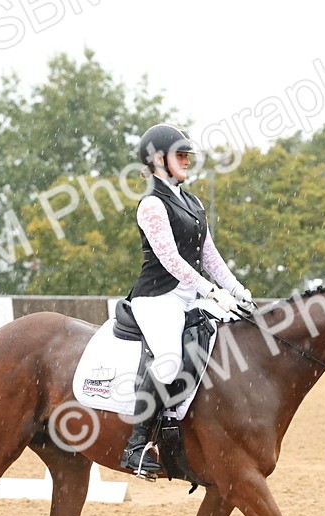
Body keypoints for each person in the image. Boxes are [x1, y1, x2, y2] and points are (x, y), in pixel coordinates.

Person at [118, 123, 252, 479]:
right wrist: (210, 291)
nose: (187, 161)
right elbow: (171, 259)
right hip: (157, 297)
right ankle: (135, 447)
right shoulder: (151, 205)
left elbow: (209, 255)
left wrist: (236, 289)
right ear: (158, 161)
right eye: (180, 155)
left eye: (188, 155)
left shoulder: (191, 202)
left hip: (190, 295)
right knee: (169, 360)